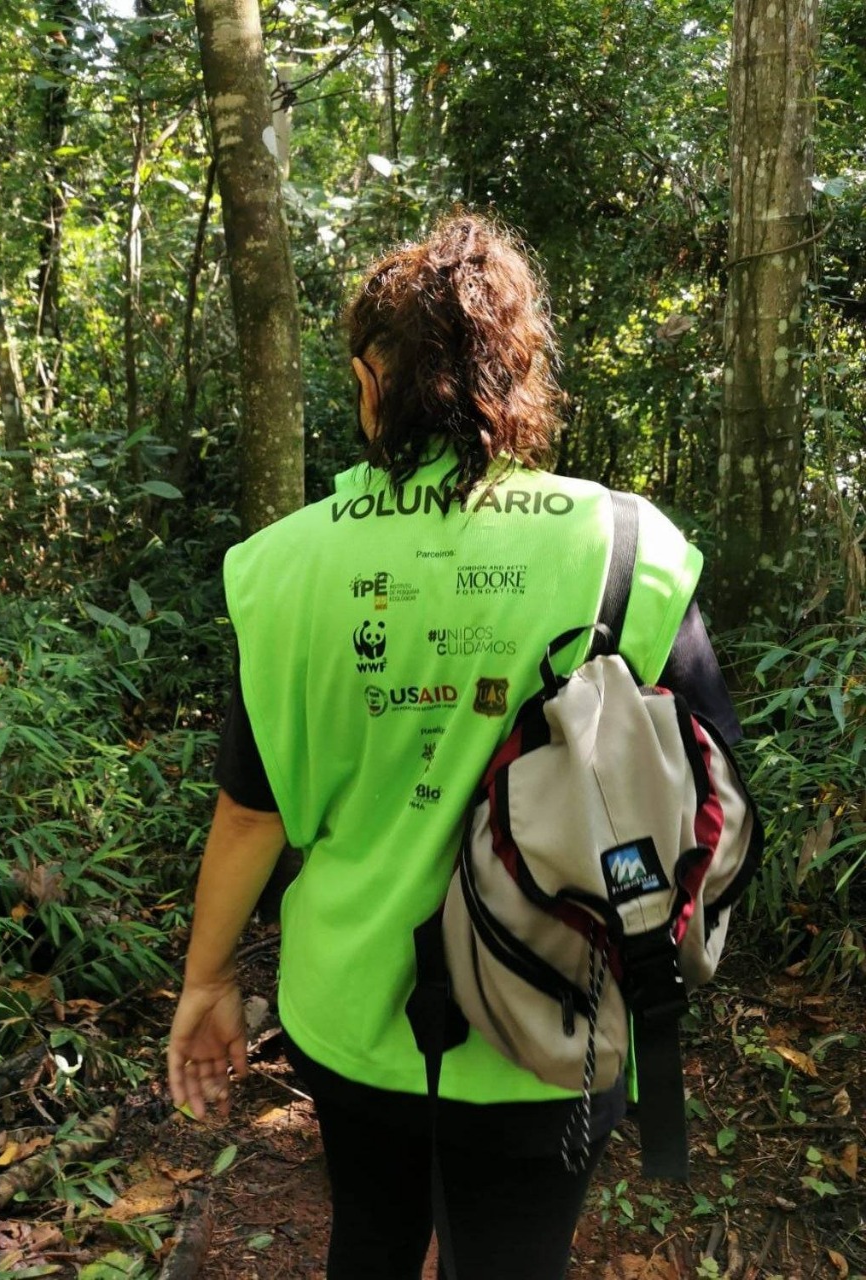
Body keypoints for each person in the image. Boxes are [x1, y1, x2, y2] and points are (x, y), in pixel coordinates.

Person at [166, 212, 740, 1279]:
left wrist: (205, 983)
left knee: (372, 1238)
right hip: (553, 1011)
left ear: (367, 381)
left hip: (353, 1013)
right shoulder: (626, 549)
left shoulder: (282, 567)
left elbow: (251, 811)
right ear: (517, 374)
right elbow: (711, 789)